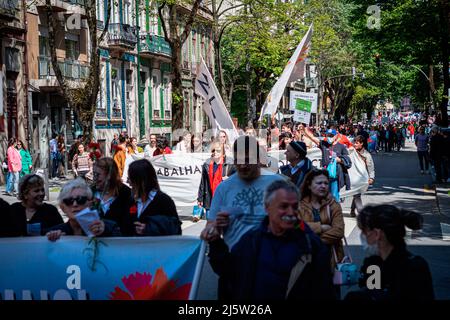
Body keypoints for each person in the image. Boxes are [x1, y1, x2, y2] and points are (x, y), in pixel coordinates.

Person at [202, 179, 336, 300]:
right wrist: (215, 243)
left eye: (294, 207)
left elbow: (324, 291)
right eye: (283, 206)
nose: (290, 212)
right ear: (267, 207)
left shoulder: (311, 245)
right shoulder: (251, 241)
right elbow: (229, 272)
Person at [201, 135, 285, 251]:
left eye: (247, 160)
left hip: (272, 257)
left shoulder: (279, 183)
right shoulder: (224, 188)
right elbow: (211, 225)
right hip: (237, 259)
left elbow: (296, 220)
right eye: (238, 160)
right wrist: (213, 228)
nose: (243, 165)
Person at [345, 205, 434, 300]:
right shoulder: (373, 264)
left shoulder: (413, 268)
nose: (362, 236)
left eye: (364, 231)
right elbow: (372, 291)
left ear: (376, 234)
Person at [298, 169, 345, 297]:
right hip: (304, 262)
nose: (323, 186)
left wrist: (312, 238)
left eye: (326, 183)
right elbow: (297, 227)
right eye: (319, 183)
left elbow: (339, 231)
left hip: (330, 262)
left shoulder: (333, 205)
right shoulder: (299, 206)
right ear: (309, 185)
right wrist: (321, 227)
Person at [46, 178, 120, 241]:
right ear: (62, 207)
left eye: (80, 200)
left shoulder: (110, 227)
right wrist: (52, 241)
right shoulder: (55, 233)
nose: (75, 204)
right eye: (69, 201)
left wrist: (105, 232)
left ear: (91, 204)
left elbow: (121, 247)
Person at [128, 159, 182, 236]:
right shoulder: (131, 200)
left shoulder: (163, 201)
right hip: (134, 246)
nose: (129, 182)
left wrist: (149, 229)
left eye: (131, 179)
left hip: (157, 246)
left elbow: (176, 229)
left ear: (141, 180)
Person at [301, 127, 352, 202]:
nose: (329, 137)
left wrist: (340, 160)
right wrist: (305, 129)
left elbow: (347, 160)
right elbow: (312, 137)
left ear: (336, 136)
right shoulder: (323, 144)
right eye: (327, 135)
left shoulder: (341, 147)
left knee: (334, 196)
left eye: (331, 135)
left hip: (335, 175)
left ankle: (334, 212)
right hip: (325, 175)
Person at [92, 157, 135, 236]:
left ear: (109, 175)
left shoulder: (126, 194)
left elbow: (130, 224)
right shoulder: (90, 193)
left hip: (119, 244)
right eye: (94, 174)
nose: (94, 178)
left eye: (97, 175)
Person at [197, 142, 233, 222]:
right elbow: (203, 182)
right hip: (209, 199)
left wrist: (229, 179)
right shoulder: (206, 164)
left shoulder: (230, 164)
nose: (215, 152)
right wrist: (200, 198)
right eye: (213, 150)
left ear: (223, 152)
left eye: (218, 150)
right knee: (211, 225)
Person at [350, 135, 375, 217]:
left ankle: (353, 210)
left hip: (362, 178)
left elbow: (371, 168)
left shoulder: (367, 155)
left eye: (357, 143)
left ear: (362, 144)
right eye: (354, 143)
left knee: (357, 194)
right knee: (356, 194)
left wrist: (371, 178)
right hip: (353, 178)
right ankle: (361, 212)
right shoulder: (351, 152)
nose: (355, 145)